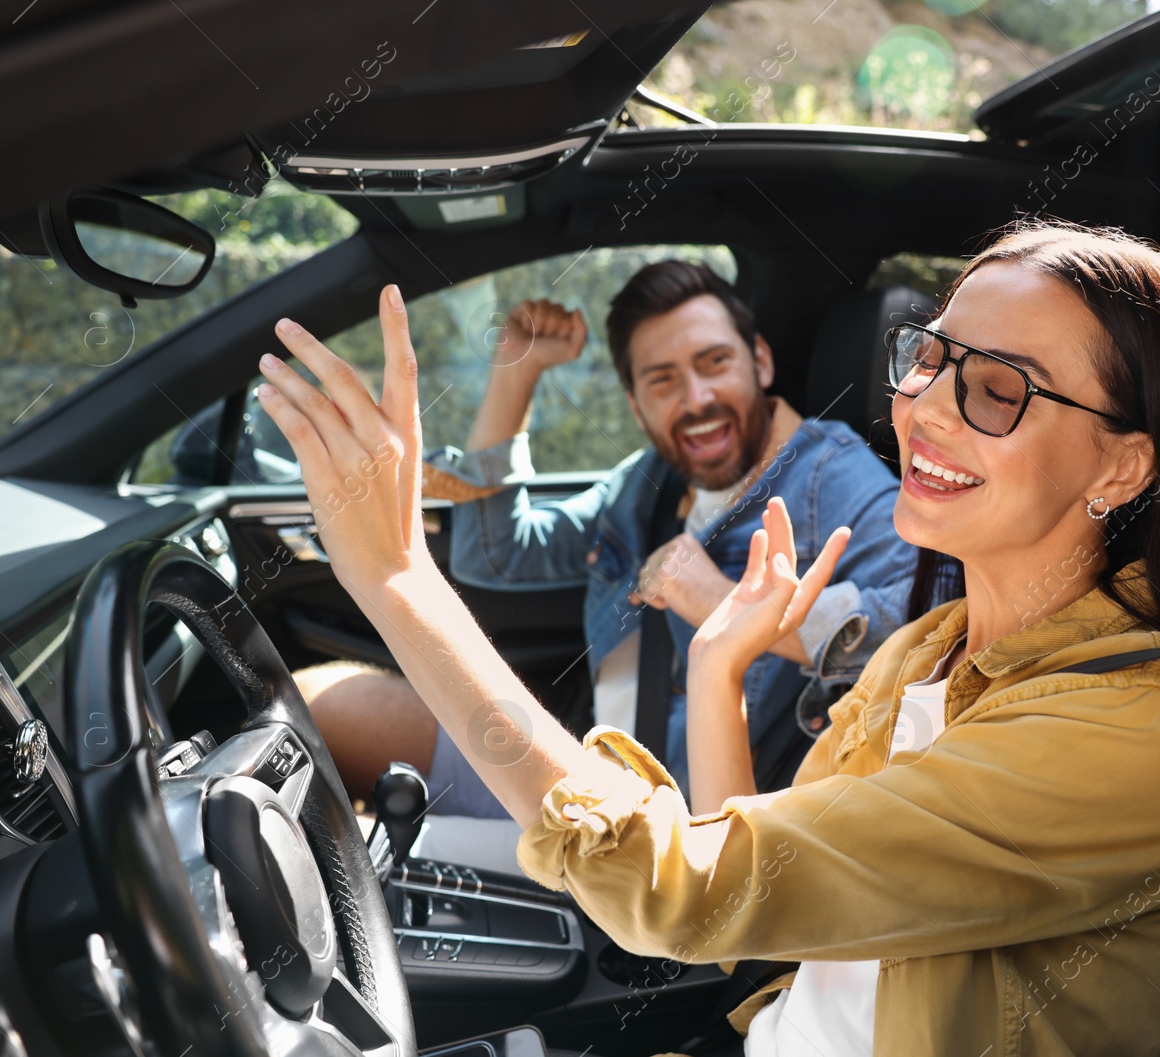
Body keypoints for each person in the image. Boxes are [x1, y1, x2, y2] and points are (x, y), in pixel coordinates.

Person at [254, 220, 1160, 1057]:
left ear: (1123, 466)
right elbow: (752, 913)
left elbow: (687, 889)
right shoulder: (928, 650)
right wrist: (717, 661)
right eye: (929, 357)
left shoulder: (1146, 728)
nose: (920, 406)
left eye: (998, 387)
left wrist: (395, 579)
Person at [297, 261, 916, 810]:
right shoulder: (647, 482)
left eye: (715, 363)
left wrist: (722, 604)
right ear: (635, 402)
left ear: (759, 360)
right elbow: (500, 557)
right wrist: (518, 374)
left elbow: (921, 627)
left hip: (676, 828)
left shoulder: (831, 475)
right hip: (580, 771)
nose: (697, 399)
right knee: (316, 703)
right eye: (663, 380)